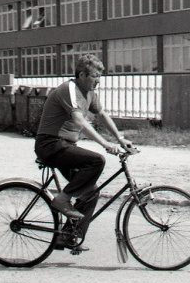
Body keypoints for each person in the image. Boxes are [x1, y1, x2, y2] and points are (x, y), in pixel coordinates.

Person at [34, 54, 133, 252]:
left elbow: (102, 115)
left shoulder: (89, 92)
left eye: (99, 77)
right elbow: (79, 121)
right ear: (81, 74)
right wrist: (105, 144)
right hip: (50, 144)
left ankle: (68, 236)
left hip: (65, 147)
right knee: (97, 161)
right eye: (95, 76)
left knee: (91, 191)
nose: (98, 81)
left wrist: (120, 139)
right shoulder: (70, 89)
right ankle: (62, 200)